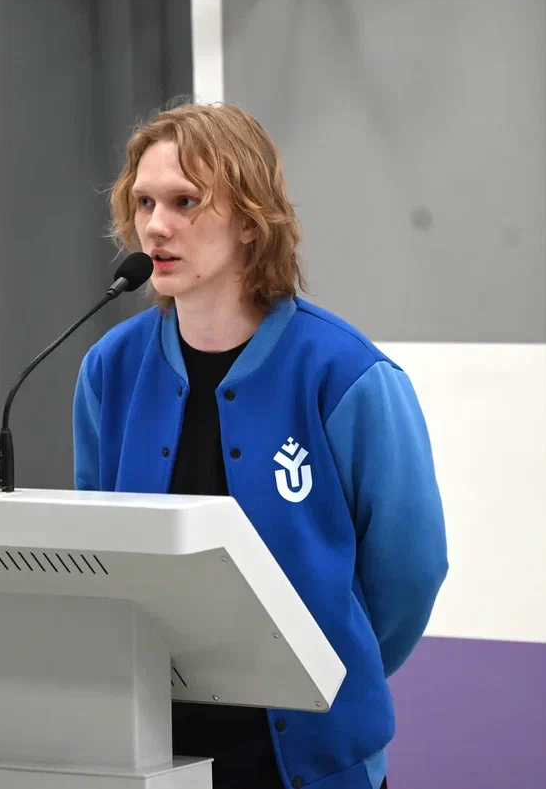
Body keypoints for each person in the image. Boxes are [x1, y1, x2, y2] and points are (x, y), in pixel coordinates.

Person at [71, 101, 448, 789]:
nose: (155, 226)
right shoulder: (110, 369)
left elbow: (408, 572)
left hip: (308, 751)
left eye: (185, 201)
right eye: (145, 202)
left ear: (250, 219)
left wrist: (328, 668)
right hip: (156, 749)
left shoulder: (346, 373)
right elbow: (100, 556)